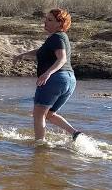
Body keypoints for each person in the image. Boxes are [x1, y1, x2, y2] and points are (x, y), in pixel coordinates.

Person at [12, 8, 84, 144]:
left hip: (55, 80)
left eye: (50, 20)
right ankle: (75, 133)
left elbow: (61, 58)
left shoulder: (57, 37)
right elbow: (42, 51)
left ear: (60, 23)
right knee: (49, 113)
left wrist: (47, 73)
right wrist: (23, 55)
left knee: (38, 114)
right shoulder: (58, 38)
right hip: (69, 80)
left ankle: (40, 145)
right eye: (46, 19)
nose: (45, 22)